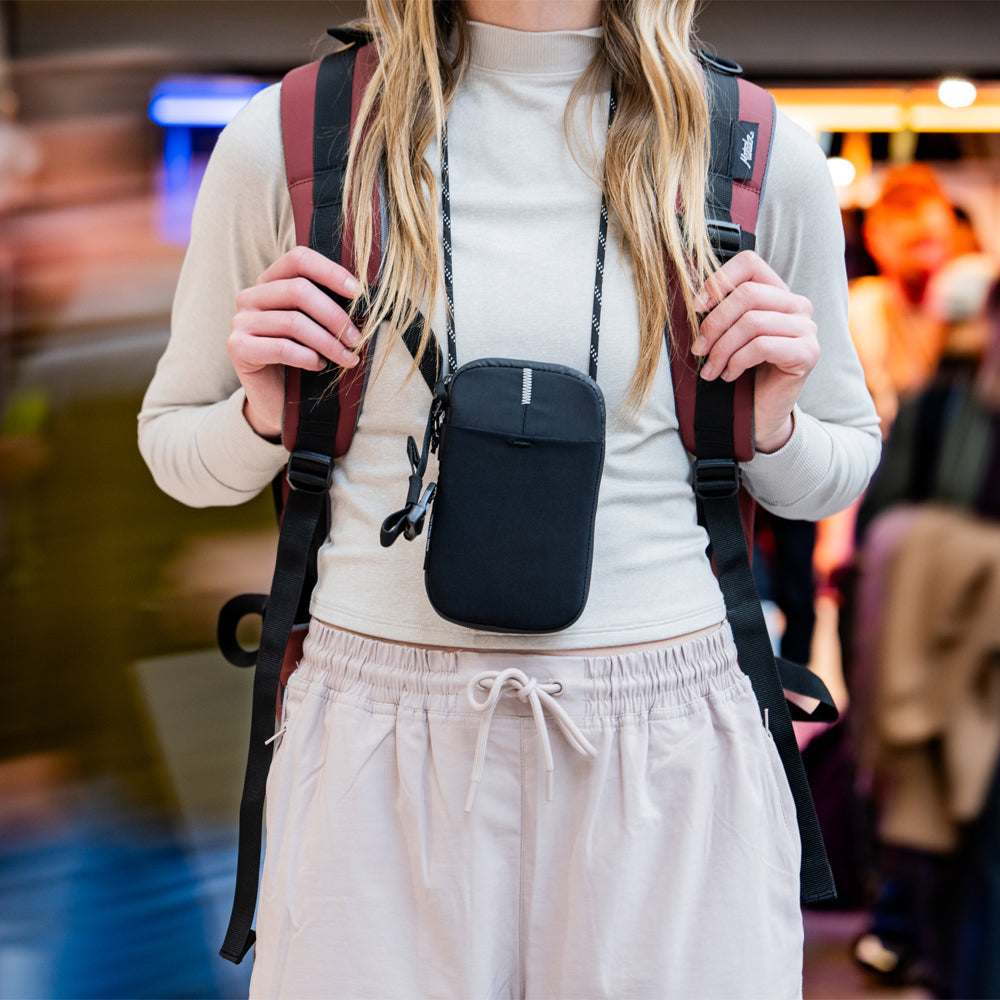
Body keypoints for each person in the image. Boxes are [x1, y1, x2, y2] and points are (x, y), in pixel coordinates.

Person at [138, 1, 880, 996]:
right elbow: (177, 450)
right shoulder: (297, 135)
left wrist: (774, 424)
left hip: (669, 735)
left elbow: (840, 463)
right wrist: (264, 414)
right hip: (377, 741)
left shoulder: (747, 147)